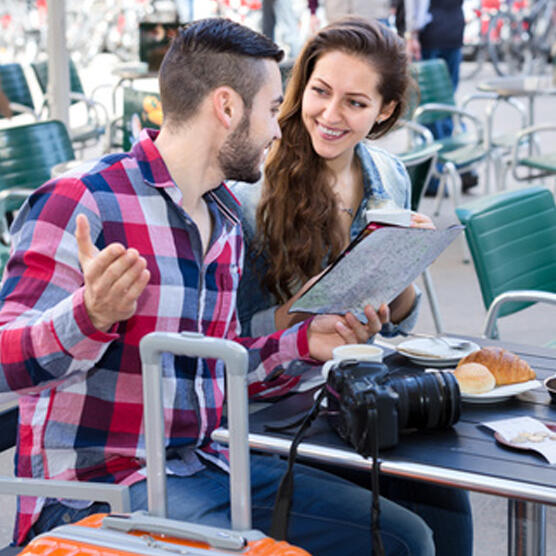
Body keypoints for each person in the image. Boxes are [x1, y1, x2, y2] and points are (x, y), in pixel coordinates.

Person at [0, 18, 435, 556]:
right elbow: (5, 366)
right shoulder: (82, 202)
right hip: (101, 493)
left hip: (205, 465)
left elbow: (219, 373)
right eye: (273, 108)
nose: (282, 129)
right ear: (227, 108)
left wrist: (304, 342)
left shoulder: (224, 219)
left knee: (403, 538)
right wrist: (88, 316)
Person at [228, 18, 473, 555]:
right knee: (411, 529)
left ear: (384, 111)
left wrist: (406, 264)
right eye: (320, 91)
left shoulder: (388, 173)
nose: (331, 115)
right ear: (301, 87)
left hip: (356, 389)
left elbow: (399, 319)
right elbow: (236, 336)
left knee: (451, 499)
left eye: (356, 103)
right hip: (278, 409)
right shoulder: (251, 185)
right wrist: (308, 305)